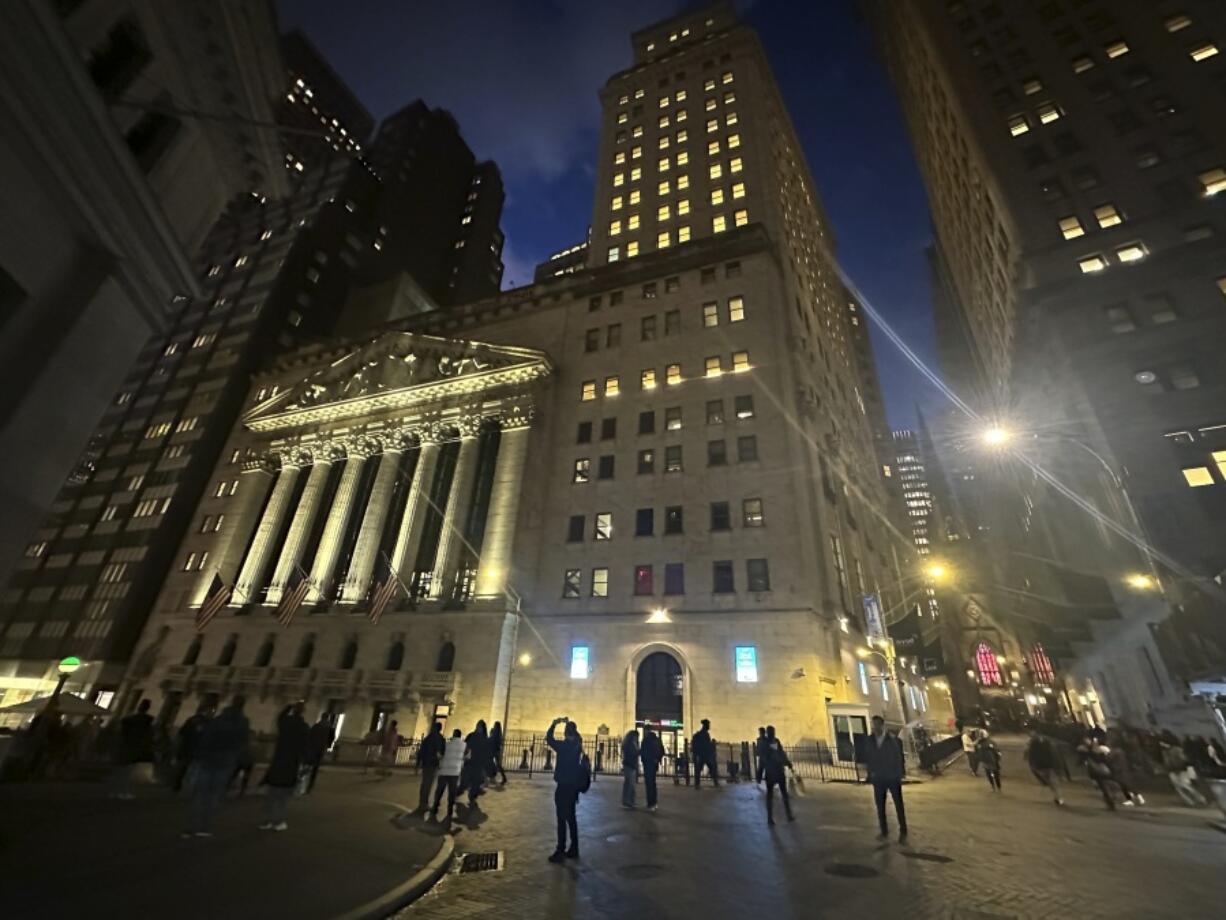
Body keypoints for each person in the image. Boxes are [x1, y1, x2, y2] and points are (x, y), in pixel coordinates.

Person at [184, 696, 249, 838]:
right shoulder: (243, 723)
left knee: (200, 794)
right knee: (214, 795)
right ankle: (205, 827)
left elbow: (206, 738)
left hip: (208, 760)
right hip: (226, 761)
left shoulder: (218, 720)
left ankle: (191, 826)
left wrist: (201, 755)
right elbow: (243, 743)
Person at [260, 702, 309, 831]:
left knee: (271, 795)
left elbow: (280, 717)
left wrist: (289, 707)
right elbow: (304, 748)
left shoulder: (285, 723)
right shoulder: (303, 727)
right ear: (303, 712)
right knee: (283, 798)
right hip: (291, 765)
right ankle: (279, 821)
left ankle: (267, 821)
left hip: (278, 761)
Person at [546, 716, 583, 864]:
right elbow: (576, 736)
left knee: (561, 819)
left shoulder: (564, 746)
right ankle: (574, 848)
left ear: (566, 733)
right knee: (571, 818)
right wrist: (568, 724)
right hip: (573, 787)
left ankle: (560, 849)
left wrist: (554, 724)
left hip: (563, 787)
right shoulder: (577, 745)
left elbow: (549, 739)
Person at [864, 715, 907, 842]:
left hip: (892, 777)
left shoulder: (892, 740)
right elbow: (869, 757)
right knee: (880, 805)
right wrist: (870, 773)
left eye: (877, 725)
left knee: (898, 804)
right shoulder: (871, 740)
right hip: (878, 778)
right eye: (874, 725)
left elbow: (898, 758)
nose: (875, 727)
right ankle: (884, 830)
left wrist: (899, 774)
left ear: (882, 725)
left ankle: (903, 829)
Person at [113, 699, 155, 799]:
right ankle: (124, 791)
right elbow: (149, 735)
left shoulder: (128, 720)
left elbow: (122, 733)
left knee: (123, 770)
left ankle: (118, 791)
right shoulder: (148, 720)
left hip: (127, 746)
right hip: (136, 747)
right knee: (129, 771)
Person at [174, 703, 214, 793]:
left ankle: (177, 784)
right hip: (197, 749)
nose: (211, 713)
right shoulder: (207, 722)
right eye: (211, 711)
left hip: (186, 747)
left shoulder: (191, 719)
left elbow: (181, 733)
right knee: (193, 767)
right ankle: (188, 786)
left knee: (183, 766)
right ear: (206, 711)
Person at [760, 725, 795, 825]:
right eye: (771, 732)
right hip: (774, 771)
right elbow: (776, 755)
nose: (772, 734)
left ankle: (778, 816)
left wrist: (786, 762)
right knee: (776, 794)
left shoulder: (772, 742)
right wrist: (785, 762)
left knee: (777, 795)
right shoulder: (768, 743)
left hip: (775, 771)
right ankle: (776, 817)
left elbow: (780, 753)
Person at [431, 728, 466, 822]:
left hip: (444, 770)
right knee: (452, 792)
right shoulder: (464, 745)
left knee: (439, 791)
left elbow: (439, 755)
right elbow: (467, 756)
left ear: (454, 735)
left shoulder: (447, 744)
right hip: (455, 772)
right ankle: (450, 810)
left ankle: (435, 807)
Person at [1161, 740, 1207, 807]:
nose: (1162, 744)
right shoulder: (1165, 752)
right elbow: (1167, 762)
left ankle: (1200, 800)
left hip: (1181, 770)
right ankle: (1192, 802)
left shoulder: (1176, 749)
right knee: (1179, 787)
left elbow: (1184, 759)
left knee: (1185, 786)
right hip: (1173, 770)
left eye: (1163, 742)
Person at [1024, 732, 1064, 805]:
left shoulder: (1033, 744)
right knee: (1053, 781)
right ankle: (1058, 796)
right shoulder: (1048, 743)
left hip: (1041, 765)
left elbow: (1030, 754)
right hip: (1049, 764)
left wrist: (1031, 762)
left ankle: (1057, 796)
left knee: (1050, 780)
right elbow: (1054, 753)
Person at [416, 722, 446, 814]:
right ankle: (424, 804)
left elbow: (421, 751)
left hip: (426, 763)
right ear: (440, 729)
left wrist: (418, 763)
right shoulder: (439, 738)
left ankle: (422, 802)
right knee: (428, 784)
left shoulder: (427, 738)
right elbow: (440, 752)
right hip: (433, 764)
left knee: (424, 783)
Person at [303, 714, 335, 794]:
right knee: (315, 767)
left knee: (308, 764)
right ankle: (310, 784)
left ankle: (303, 780)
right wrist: (328, 746)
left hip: (312, 748)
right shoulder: (330, 728)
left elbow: (309, 736)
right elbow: (331, 739)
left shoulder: (316, 726)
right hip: (320, 749)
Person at [459, 720, 489, 805]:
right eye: (478, 726)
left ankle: (472, 796)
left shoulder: (477, 737)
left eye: (479, 726)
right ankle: (465, 792)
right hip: (472, 762)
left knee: (474, 780)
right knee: (467, 780)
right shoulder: (476, 736)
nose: (478, 728)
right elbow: (466, 747)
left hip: (476, 762)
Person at [640, 726, 663, 812]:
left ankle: (650, 803)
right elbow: (662, 750)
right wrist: (657, 759)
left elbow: (643, 752)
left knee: (649, 784)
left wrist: (644, 761)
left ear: (646, 731)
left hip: (648, 764)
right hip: (654, 764)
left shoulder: (646, 740)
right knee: (653, 784)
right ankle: (654, 802)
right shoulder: (657, 739)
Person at [691, 718, 719, 788]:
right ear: (705, 725)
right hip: (704, 755)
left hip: (702, 755)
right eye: (708, 725)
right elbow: (706, 745)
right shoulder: (704, 734)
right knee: (711, 768)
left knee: (700, 770)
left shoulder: (702, 734)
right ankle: (714, 782)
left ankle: (697, 784)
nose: (709, 726)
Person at [621, 728, 640, 808]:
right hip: (630, 765)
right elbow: (632, 754)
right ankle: (629, 801)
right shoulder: (630, 744)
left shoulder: (631, 743)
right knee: (630, 784)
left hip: (630, 765)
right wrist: (638, 752)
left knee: (628, 783)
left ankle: (627, 800)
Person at [489, 721, 509, 785]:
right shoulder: (499, 734)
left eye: (494, 725)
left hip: (494, 751)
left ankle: (494, 776)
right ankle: (494, 776)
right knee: (496, 764)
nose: (494, 726)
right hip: (496, 751)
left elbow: (493, 741)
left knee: (495, 764)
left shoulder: (496, 734)